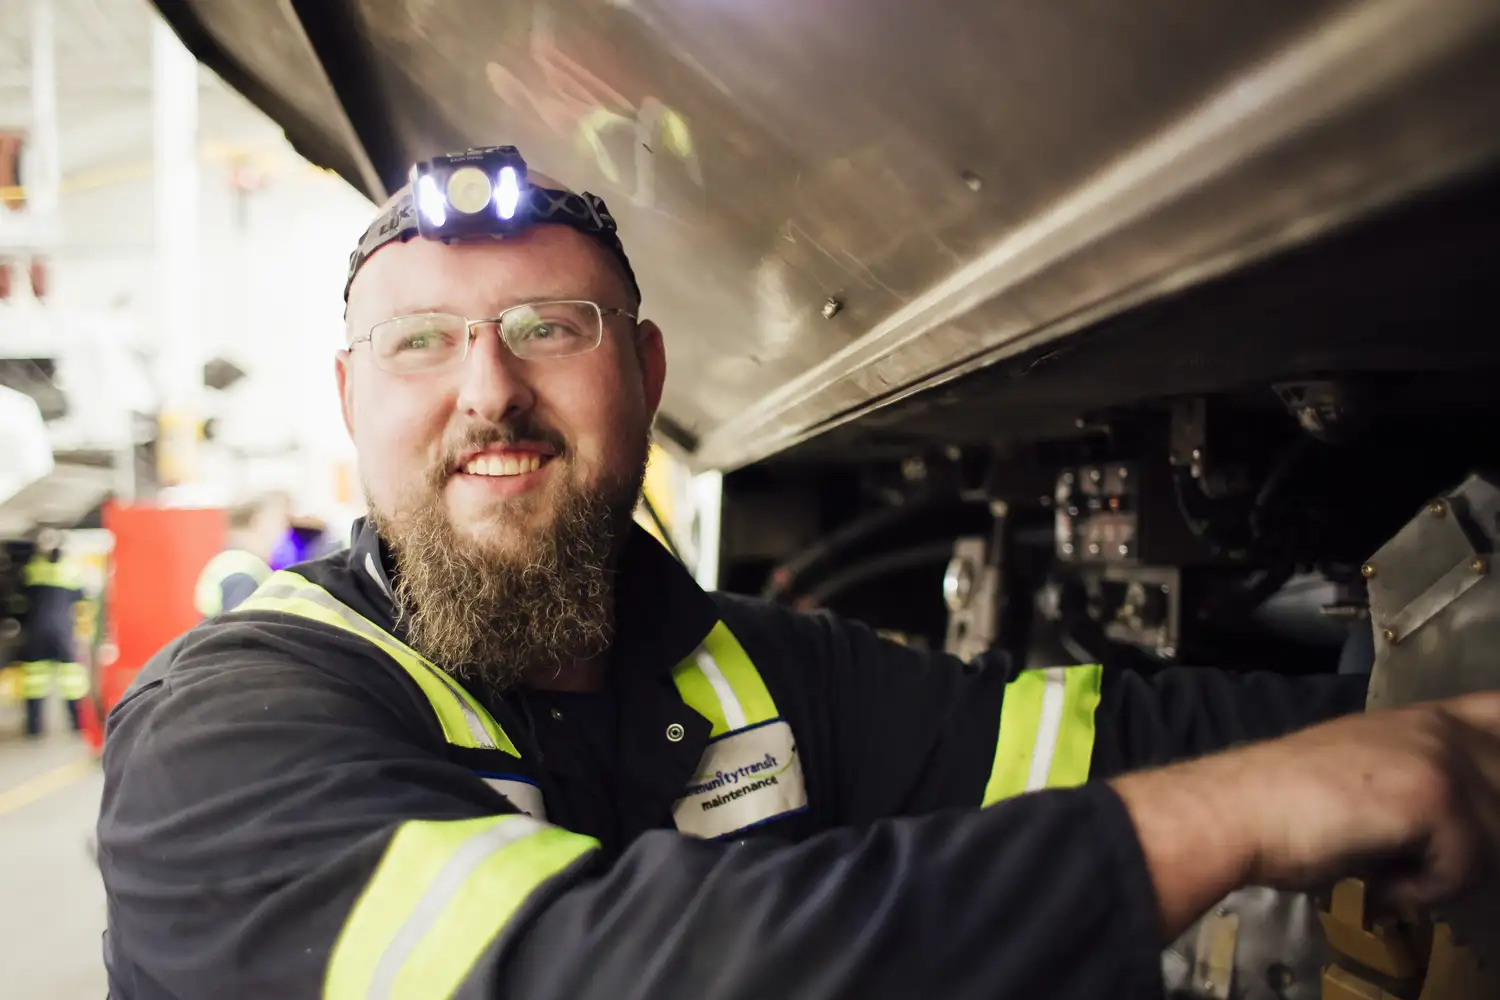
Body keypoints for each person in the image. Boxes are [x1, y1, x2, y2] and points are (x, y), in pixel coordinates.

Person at [96, 147, 1500, 999]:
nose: (489, 391)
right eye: (423, 344)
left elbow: (1088, 739)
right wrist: (1240, 819)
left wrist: (1424, 732)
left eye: (549, 327)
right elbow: (579, 971)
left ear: (643, 375)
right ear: (351, 400)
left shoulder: (745, 672)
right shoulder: (229, 729)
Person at [16, 529, 88, 736]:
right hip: (62, 633)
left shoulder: (32, 569)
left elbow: (20, 599)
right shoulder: (72, 571)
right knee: (71, 681)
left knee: (34, 682)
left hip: (36, 632)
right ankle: (76, 724)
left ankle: (33, 728)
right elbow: (82, 599)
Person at [192, 496, 285, 617]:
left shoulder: (233, 562)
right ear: (256, 522)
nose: (284, 530)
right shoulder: (243, 570)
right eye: (279, 522)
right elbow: (238, 629)